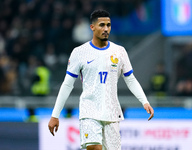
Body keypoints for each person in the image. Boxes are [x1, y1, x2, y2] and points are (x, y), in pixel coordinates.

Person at [48, 9, 154, 150]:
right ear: (92, 27)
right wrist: (55, 115)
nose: (106, 29)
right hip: (89, 111)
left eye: (108, 25)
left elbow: (131, 79)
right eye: (102, 25)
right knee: (95, 148)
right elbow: (67, 84)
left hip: (112, 113)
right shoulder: (79, 52)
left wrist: (144, 101)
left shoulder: (119, 51)